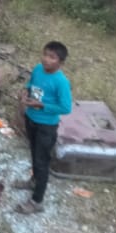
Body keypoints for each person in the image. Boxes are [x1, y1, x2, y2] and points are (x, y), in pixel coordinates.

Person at [14, 41, 73, 215]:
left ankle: (37, 200)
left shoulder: (61, 82)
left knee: (42, 161)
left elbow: (66, 107)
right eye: (45, 54)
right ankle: (34, 180)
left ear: (60, 63)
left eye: (52, 57)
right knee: (33, 152)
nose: (46, 59)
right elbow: (30, 84)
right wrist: (25, 91)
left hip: (47, 126)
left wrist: (42, 106)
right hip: (31, 119)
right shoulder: (38, 69)